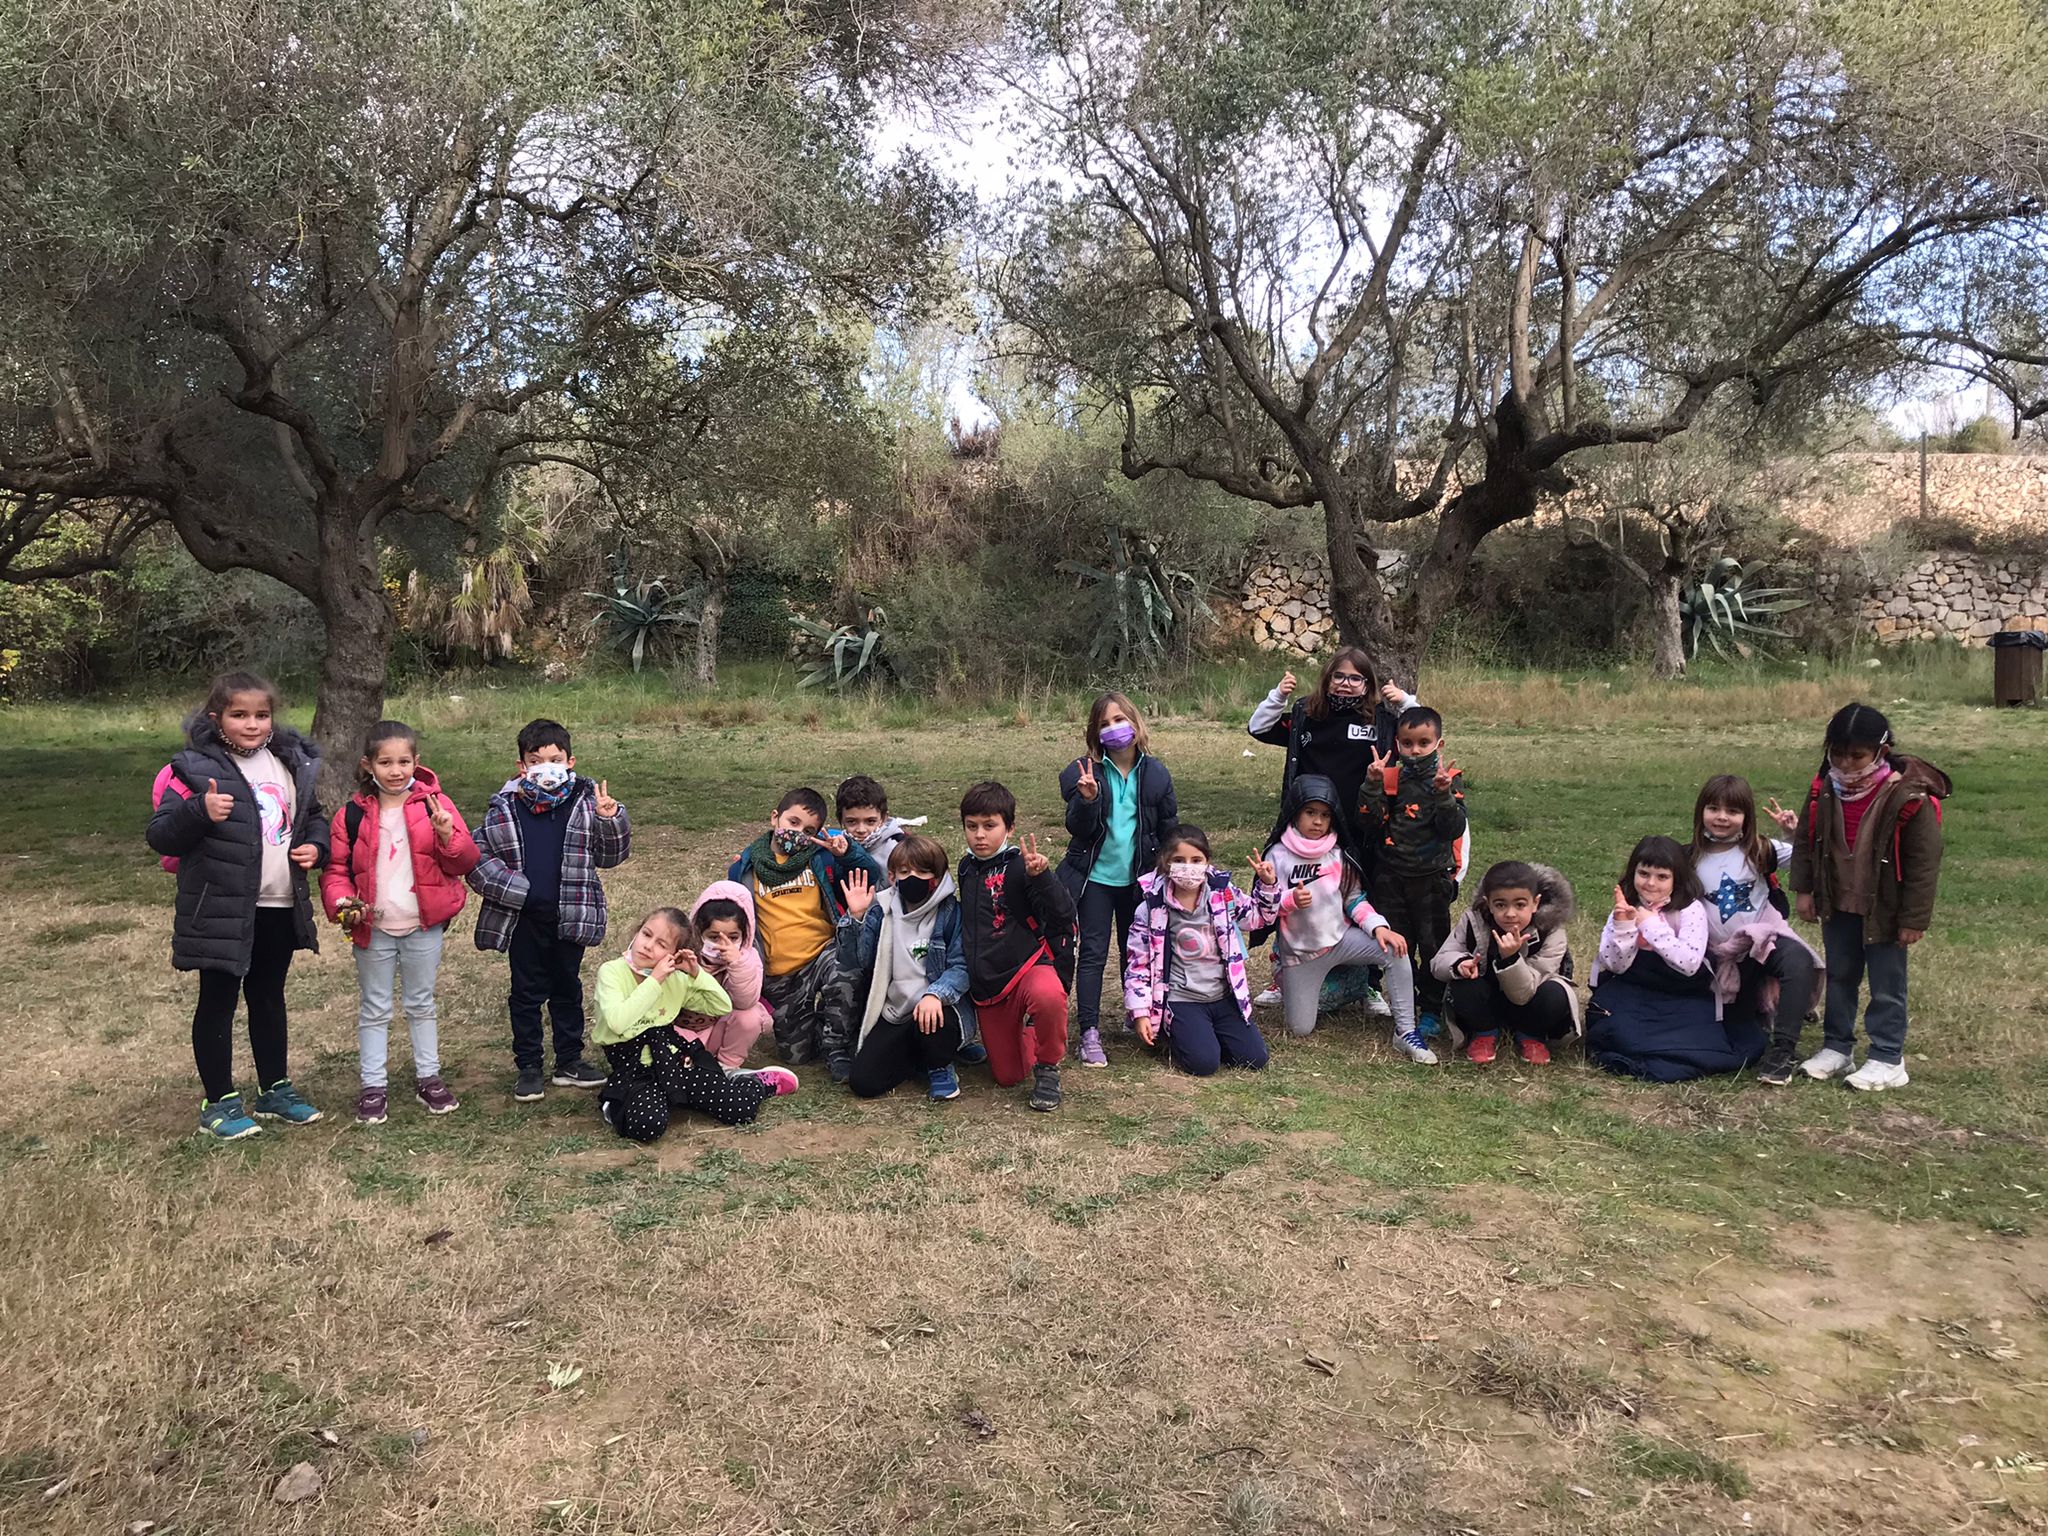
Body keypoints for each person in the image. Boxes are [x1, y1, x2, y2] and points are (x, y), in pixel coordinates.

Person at [147, 670, 330, 1140]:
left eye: (261, 715)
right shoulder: (192, 768)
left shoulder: (289, 762)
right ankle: (219, 1101)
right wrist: (199, 812)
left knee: (268, 996)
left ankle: (275, 1089)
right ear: (216, 718)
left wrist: (316, 846)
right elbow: (161, 834)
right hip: (222, 907)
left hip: (279, 903)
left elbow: (312, 817)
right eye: (239, 715)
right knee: (218, 1000)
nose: (252, 724)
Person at [321, 720, 480, 1124]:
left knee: (420, 1003)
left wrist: (448, 836)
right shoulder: (350, 815)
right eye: (386, 762)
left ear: (416, 762)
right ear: (368, 765)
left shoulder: (436, 806)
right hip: (372, 928)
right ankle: (373, 1085)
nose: (396, 770)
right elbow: (336, 869)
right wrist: (341, 902)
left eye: (404, 762)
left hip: (422, 925)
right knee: (374, 1007)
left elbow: (464, 861)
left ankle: (429, 1077)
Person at [467, 719, 631, 1103]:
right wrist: (517, 891)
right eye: (536, 761)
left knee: (567, 987)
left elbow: (612, 856)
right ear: (522, 765)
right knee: (525, 992)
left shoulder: (587, 802)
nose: (546, 768)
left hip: (571, 913)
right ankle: (528, 1066)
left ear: (570, 761)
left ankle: (569, 1060)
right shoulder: (505, 807)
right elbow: (476, 857)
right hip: (524, 918)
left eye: (555, 760)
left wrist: (610, 820)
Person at [1788, 703, 1949, 1092]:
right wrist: (1805, 889)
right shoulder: (1825, 787)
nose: (1846, 764)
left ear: (1882, 751)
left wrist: (1913, 918)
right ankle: (1837, 1047)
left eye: (1856, 756)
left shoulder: (1908, 796)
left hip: (1886, 907)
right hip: (1837, 899)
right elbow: (1807, 840)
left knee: (1886, 982)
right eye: (1838, 754)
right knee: (1840, 974)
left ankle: (1888, 1056)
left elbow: (1923, 863)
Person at [1264, 774, 1434, 1061]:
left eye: (1325, 815)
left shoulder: (1338, 854)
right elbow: (1263, 910)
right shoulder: (1276, 856)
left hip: (1341, 940)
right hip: (1301, 955)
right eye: (1310, 812)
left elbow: (1354, 899)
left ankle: (1406, 1031)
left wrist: (1378, 927)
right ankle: (1347, 983)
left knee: (1395, 949)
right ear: (1294, 812)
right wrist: (1287, 900)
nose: (1318, 821)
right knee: (1300, 1028)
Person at [592, 908, 797, 1141]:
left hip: (673, 1059)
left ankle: (754, 1083)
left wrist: (697, 973)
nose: (648, 946)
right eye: (646, 934)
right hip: (633, 1066)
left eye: (661, 944)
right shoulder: (612, 972)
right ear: (637, 933)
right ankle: (622, 1101)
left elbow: (721, 1006)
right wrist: (655, 980)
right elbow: (618, 1022)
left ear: (674, 955)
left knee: (740, 1109)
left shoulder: (676, 979)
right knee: (648, 1126)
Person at [1056, 691, 1178, 1069]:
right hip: (1095, 878)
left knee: (1134, 950)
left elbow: (1168, 828)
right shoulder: (1085, 772)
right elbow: (1078, 829)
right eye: (1105, 723)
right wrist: (1088, 800)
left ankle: (1135, 1011)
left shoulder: (1156, 774)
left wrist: (1170, 870)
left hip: (1138, 880)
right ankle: (1089, 1031)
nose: (1114, 728)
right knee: (1093, 953)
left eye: (1120, 719)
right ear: (1095, 733)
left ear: (1135, 723)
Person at [728, 787, 884, 1080]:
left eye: (808, 830)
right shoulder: (745, 867)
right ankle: (824, 1020)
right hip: (780, 970)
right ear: (775, 818)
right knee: (796, 1056)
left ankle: (837, 1047)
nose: (798, 833)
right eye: (793, 822)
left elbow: (870, 875)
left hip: (822, 953)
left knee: (845, 971)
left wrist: (847, 854)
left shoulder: (821, 857)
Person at [1685, 775, 1823, 1087]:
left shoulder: (1760, 850)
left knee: (1798, 960)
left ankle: (1784, 1051)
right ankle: (1764, 1012)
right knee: (1740, 1026)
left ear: (1746, 816)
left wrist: (1793, 834)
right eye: (1713, 808)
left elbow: (1808, 858)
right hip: (1718, 958)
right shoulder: (1688, 858)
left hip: (1762, 943)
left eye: (1733, 811)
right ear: (1700, 811)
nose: (1722, 817)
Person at [1585, 836, 1752, 1082]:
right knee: (1615, 1032)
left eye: (1662, 877)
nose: (1651, 883)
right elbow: (1615, 966)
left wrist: (1651, 926)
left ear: (1677, 879)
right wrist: (1623, 927)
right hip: (1633, 988)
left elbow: (1689, 964)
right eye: (1643, 874)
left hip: (1681, 992)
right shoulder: (1625, 907)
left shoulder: (1690, 909)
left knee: (1693, 1041)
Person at [956, 782, 1077, 1112]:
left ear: (1009, 828)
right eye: (971, 826)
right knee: (1008, 1076)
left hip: (1027, 967)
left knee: (1048, 995)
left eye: (990, 825)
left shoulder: (1022, 867)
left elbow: (1063, 913)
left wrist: (1042, 877)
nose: (980, 835)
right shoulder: (965, 868)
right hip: (990, 982)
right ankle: (1031, 1032)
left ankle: (1048, 1067)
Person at [1122, 825, 1280, 1076]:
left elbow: (1259, 917)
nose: (1188, 867)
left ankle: (1207, 1034)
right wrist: (1140, 1013)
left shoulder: (1224, 895)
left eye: (1196, 860)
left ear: (1207, 861)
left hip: (1223, 995)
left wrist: (1268, 885)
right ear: (1165, 862)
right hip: (1182, 998)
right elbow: (1138, 965)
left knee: (1254, 1059)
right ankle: (1174, 1031)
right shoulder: (1150, 909)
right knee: (1203, 1064)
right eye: (1179, 860)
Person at [1247, 647, 1417, 863]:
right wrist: (1278, 696)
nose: (1345, 683)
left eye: (1355, 678)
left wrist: (1405, 703)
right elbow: (1258, 728)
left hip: (1362, 824)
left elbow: (1421, 736)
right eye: (1339, 676)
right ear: (1328, 679)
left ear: (1367, 685)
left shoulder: (1381, 722)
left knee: (1358, 881)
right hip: (1314, 822)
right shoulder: (1306, 715)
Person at [1358, 706, 1468, 1038]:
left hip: (1431, 879)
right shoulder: (1390, 777)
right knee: (1398, 944)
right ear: (1397, 743)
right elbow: (1369, 822)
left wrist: (1443, 794)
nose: (1415, 750)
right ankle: (1403, 1006)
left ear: (1439, 744)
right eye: (1407, 743)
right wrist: (1372, 785)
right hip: (1391, 877)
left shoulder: (1449, 778)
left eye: (1423, 743)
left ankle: (1432, 1009)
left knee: (1433, 947)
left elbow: (1453, 828)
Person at [838, 833, 974, 1101]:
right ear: (892, 877)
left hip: (936, 1007)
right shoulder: (881, 910)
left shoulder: (950, 912)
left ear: (937, 878)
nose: (913, 878)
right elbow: (856, 961)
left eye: (923, 872)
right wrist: (856, 919)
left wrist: (935, 995)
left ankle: (939, 1065)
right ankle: (920, 1057)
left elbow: (961, 966)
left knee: (936, 1020)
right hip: (896, 1010)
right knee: (864, 1082)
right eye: (905, 871)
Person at [1430, 861, 1580, 1064]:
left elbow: (1523, 995)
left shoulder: (1552, 930)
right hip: (1488, 999)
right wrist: (1459, 964)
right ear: (1488, 903)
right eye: (1500, 905)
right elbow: (1439, 962)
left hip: (1530, 1001)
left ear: (1535, 903)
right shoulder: (1473, 920)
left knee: (1556, 993)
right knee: (1463, 984)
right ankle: (1484, 1033)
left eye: (1520, 905)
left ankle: (1531, 1035)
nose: (1510, 913)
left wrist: (1510, 959)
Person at [674, 882, 773, 1069]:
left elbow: (745, 1002)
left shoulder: (748, 959)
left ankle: (727, 1067)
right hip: (679, 1031)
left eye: (733, 938)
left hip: (717, 1031)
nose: (722, 945)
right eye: (713, 937)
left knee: (749, 1016)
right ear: (698, 931)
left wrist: (738, 964)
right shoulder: (683, 951)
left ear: (745, 934)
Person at [835, 775, 928, 872]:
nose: (861, 830)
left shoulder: (898, 850)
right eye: (851, 822)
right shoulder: (836, 848)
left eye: (870, 821)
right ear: (841, 819)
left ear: (883, 818)